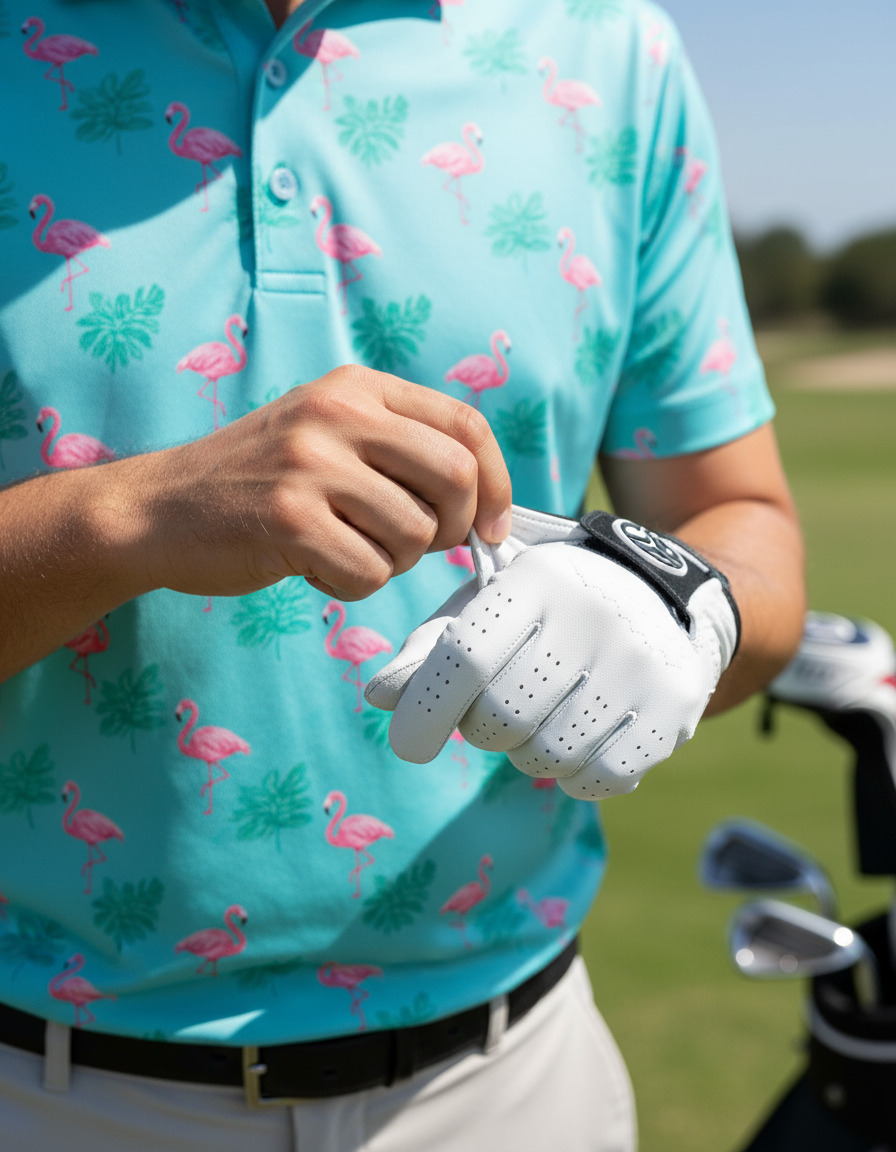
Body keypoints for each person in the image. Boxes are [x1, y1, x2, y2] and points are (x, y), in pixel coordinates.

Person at [0, 0, 805, 1148]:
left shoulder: (609, 49)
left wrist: (677, 597)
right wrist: (127, 512)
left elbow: (741, 519)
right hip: (43, 1088)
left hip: (512, 1084)